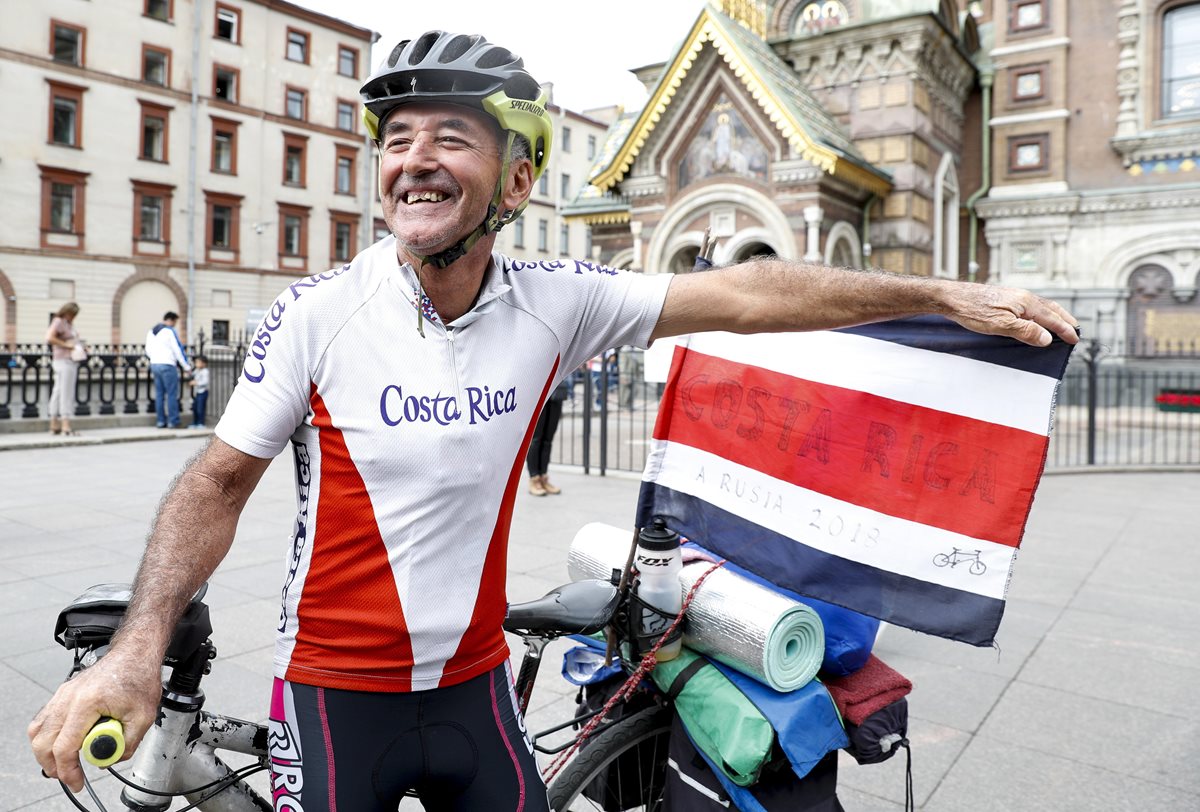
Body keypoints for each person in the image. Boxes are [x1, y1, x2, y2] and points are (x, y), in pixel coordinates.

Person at [29, 29, 1079, 810]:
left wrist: (936, 295)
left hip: (478, 688)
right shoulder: (317, 314)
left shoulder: (555, 298)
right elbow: (214, 483)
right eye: (397, 140)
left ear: (519, 178)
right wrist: (138, 644)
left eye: (453, 136)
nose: (416, 158)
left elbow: (753, 298)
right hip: (336, 693)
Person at [144, 311, 191, 429]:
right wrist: (186, 367)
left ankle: (161, 421)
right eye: (175, 322)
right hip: (168, 365)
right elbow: (178, 349)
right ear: (171, 320)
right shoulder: (169, 331)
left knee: (159, 394)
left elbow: (147, 350)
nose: (174, 324)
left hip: (155, 364)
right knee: (171, 394)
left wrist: (154, 358)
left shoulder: (152, 331)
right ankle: (173, 421)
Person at [45, 302, 84, 436]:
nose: (73, 317)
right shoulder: (59, 322)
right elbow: (49, 337)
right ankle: (65, 425)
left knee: (58, 391)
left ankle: (54, 424)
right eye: (73, 314)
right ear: (67, 312)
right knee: (66, 392)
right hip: (63, 360)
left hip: (67, 360)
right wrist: (68, 346)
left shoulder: (67, 324)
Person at [527, 376, 570, 495]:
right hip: (538, 389)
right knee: (536, 439)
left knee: (548, 438)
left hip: (556, 390)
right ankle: (534, 478)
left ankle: (543, 477)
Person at [188, 355, 209, 429]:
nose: (196, 364)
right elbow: (192, 374)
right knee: (195, 408)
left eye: (198, 362)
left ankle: (201, 423)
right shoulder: (197, 370)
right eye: (196, 362)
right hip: (197, 393)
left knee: (200, 408)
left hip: (203, 392)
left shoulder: (205, 371)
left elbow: (205, 382)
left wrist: (196, 383)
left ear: (204, 364)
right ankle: (195, 422)